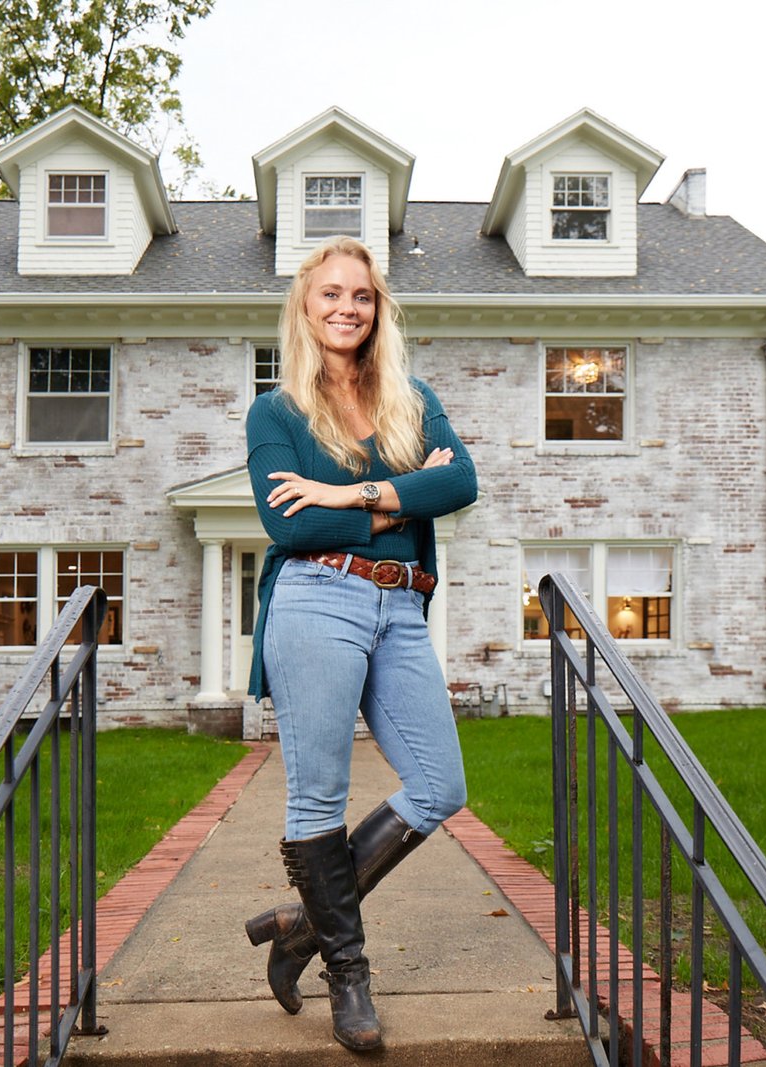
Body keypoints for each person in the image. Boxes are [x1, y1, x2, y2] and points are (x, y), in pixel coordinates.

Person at [242, 235, 477, 1052]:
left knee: (441, 783)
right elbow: (287, 522)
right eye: (330, 294)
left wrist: (348, 489)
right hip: (316, 599)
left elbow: (463, 483)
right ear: (305, 308)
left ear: (380, 309)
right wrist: (400, 502)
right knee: (318, 796)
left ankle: (301, 922)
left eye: (363, 295)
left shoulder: (411, 396)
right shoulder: (276, 411)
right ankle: (347, 969)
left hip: (401, 606)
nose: (348, 306)